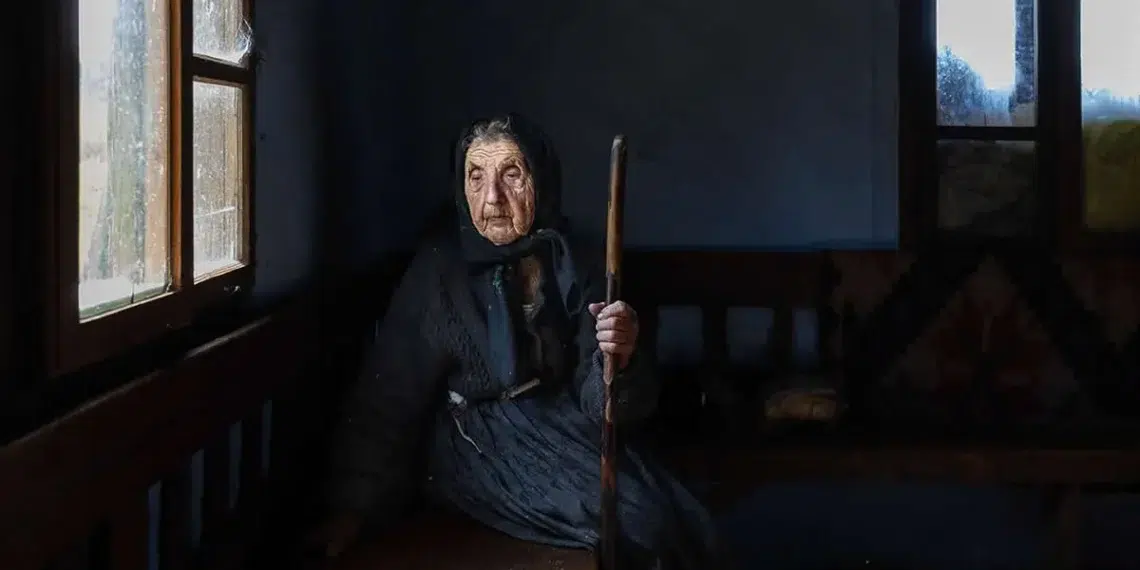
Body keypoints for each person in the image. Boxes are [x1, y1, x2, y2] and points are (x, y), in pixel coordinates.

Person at [314, 114, 732, 569]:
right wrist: (352, 510)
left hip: (563, 422)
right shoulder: (438, 270)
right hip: (478, 439)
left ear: (543, 181)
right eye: (476, 176)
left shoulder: (577, 259)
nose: (492, 197)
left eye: (512, 174)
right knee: (637, 527)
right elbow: (389, 395)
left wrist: (620, 356)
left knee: (681, 517)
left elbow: (603, 403)